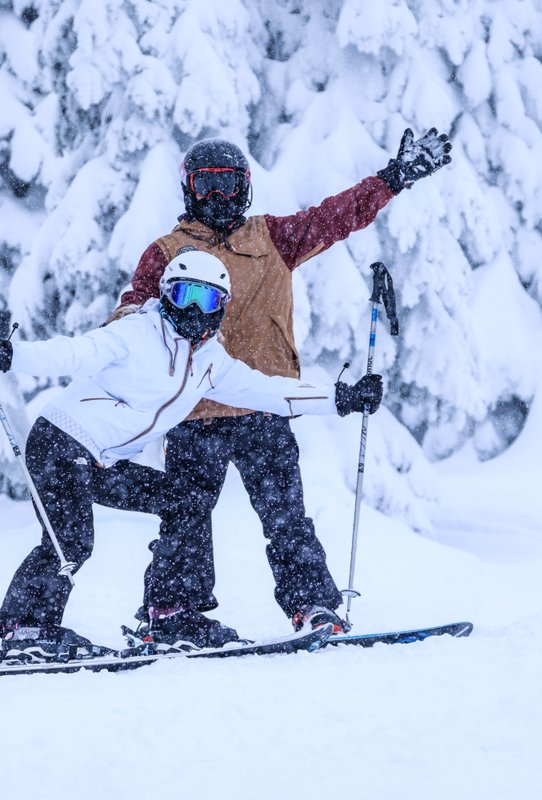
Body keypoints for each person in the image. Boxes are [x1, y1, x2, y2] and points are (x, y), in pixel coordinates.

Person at [109, 128, 452, 646]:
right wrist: (131, 329)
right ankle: (173, 611)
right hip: (195, 410)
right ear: (188, 189)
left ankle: (313, 605)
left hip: (264, 405)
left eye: (228, 184)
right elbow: (131, 311)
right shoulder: (167, 252)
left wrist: (392, 179)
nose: (218, 197)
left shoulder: (272, 238)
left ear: (245, 188)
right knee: (186, 515)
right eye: (207, 185)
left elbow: (337, 216)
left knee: (286, 516)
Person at [0, 250, 384, 660]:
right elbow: (73, 352)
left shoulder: (211, 363)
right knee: (70, 540)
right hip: (61, 444)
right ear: (165, 296)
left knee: (186, 500)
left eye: (207, 300)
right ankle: (27, 627)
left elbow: (269, 391)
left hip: (103, 462)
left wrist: (341, 398)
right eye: (184, 296)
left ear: (221, 308)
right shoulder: (136, 333)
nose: (194, 310)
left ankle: (171, 613)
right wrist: (7, 355)